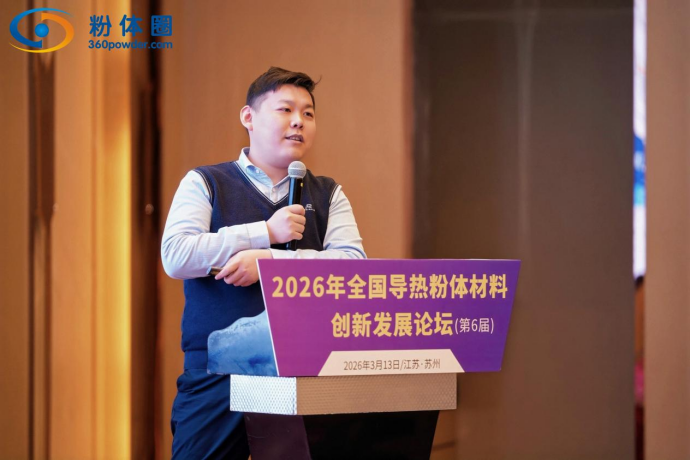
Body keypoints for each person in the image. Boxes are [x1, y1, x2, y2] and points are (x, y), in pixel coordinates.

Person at [161, 67, 366, 459]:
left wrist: (269, 262)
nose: (298, 121)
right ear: (248, 117)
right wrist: (264, 233)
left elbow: (352, 266)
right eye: (285, 109)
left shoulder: (328, 194)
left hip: (306, 368)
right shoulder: (206, 182)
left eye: (308, 113)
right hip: (216, 373)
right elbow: (177, 254)